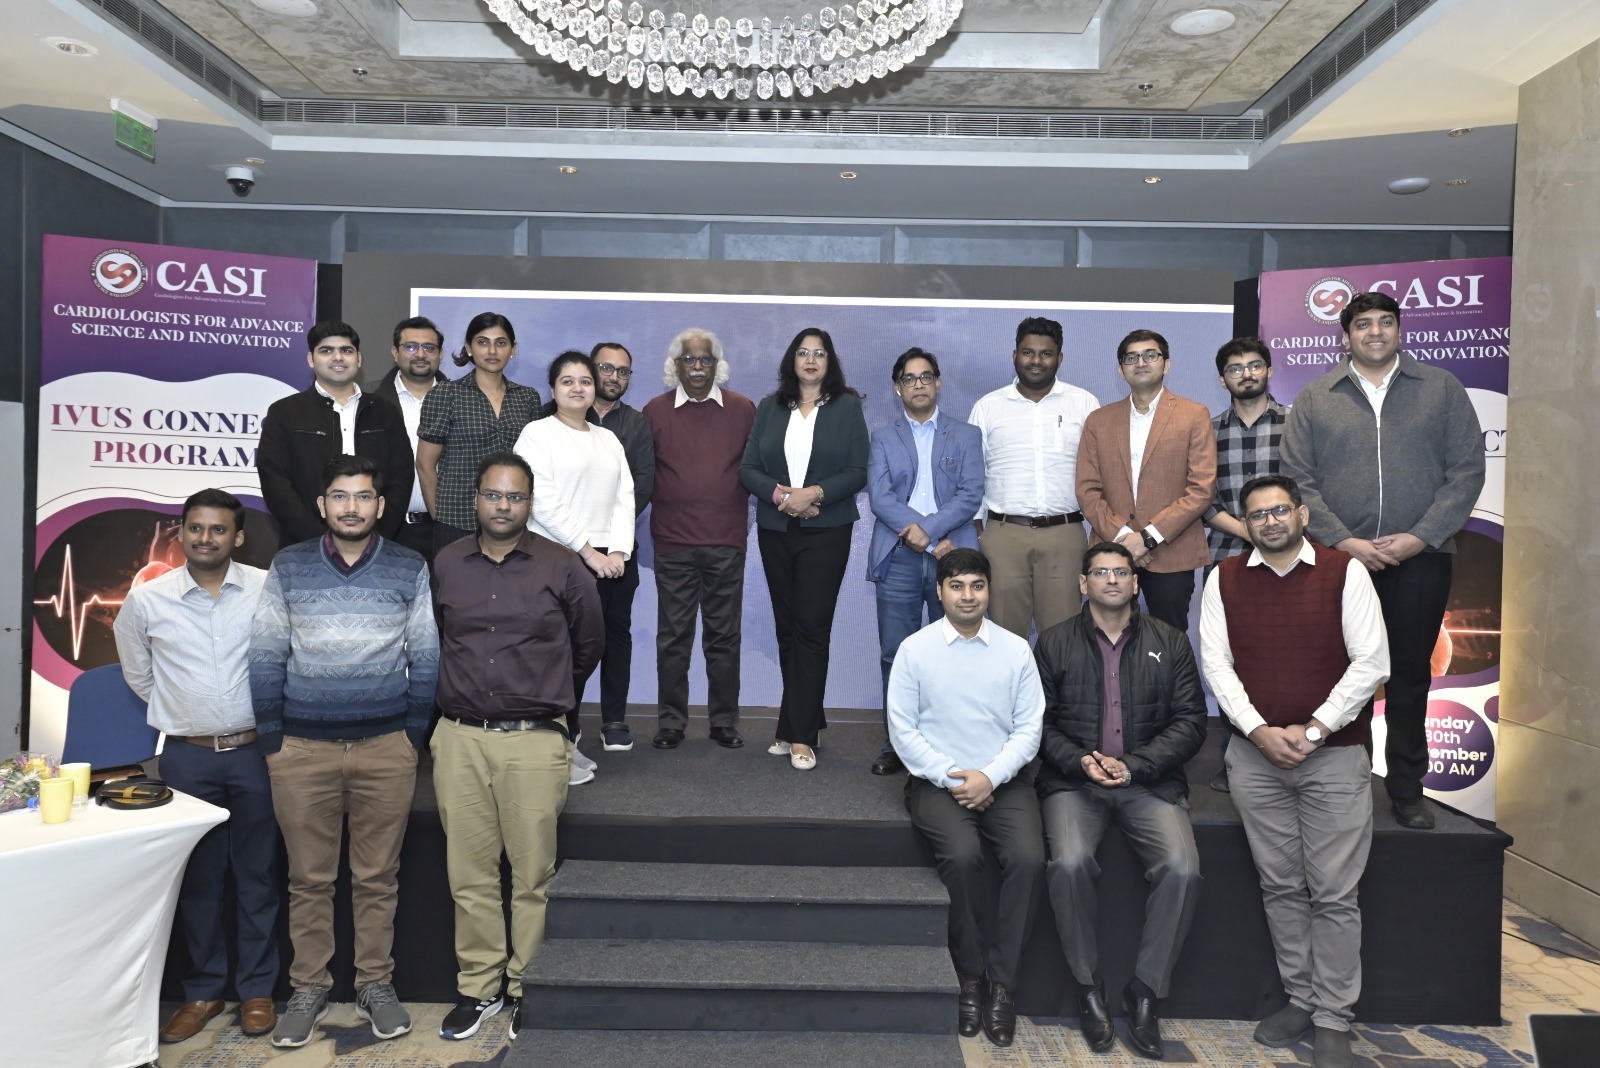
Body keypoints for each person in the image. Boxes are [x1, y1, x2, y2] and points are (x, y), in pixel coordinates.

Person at [1199, 475, 1389, 1068]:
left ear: (1302, 514)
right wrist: (1258, 731)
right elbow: (1217, 665)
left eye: (1280, 510)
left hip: (1333, 758)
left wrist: (1314, 730)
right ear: (1246, 524)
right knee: (1281, 887)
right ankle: (1301, 1000)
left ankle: (1333, 1016)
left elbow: (1371, 663)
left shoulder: (1344, 572)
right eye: (1258, 515)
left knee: (1333, 893)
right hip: (1255, 760)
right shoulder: (1224, 578)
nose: (1270, 522)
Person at [250, 455, 439, 1049]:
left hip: (386, 749)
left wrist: (411, 735)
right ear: (322, 504)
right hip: (302, 752)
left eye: (362, 497)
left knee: (377, 877)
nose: (351, 507)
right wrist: (275, 742)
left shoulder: (409, 566)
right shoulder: (289, 565)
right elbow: (265, 655)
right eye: (340, 496)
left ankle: (374, 984)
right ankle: (308, 988)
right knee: (308, 879)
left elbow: (426, 655)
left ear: (380, 506)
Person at [1280, 291, 1485, 830]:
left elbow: (1466, 471)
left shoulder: (1440, 388)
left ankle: (1407, 789)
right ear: (1345, 336)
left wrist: (1421, 536)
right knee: (1338, 676)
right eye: (1363, 324)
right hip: (1338, 561)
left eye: (1385, 322)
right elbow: (1298, 480)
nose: (1375, 332)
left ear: (1398, 329)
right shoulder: (1316, 398)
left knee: (1411, 675)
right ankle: (1344, 785)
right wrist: (1343, 541)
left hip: (1421, 558)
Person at [431, 452, 603, 1043]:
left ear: (530, 503)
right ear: (475, 498)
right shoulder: (446, 563)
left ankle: (527, 987)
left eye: (515, 497)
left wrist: (545, 692)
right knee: (469, 874)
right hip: (459, 738)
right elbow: (434, 638)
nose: (503, 506)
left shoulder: (562, 566)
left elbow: (589, 643)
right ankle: (480, 988)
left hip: (533, 740)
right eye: (493, 495)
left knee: (533, 875)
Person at [113, 489, 279, 1043]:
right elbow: (139, 674)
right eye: (196, 528)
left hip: (256, 754)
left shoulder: (265, 587)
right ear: (181, 533)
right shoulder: (147, 600)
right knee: (199, 880)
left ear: (238, 537)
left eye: (218, 529)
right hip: (186, 758)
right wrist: (184, 712)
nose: (206, 538)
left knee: (257, 876)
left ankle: (257, 991)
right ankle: (203, 992)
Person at [1033, 541, 1207, 1061]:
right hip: (1075, 782)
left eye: (1121, 572)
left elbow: (1191, 722)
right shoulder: (1053, 642)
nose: (1111, 580)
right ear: (1082, 584)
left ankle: (1145, 992)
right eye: (1100, 572)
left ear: (1135, 582)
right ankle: (1089, 988)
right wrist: (1079, 761)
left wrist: (1135, 765)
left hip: (1149, 781)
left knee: (1182, 868)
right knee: (1067, 864)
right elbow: (1037, 723)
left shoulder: (1170, 641)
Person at [887, 548, 1044, 1048]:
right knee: (961, 854)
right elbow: (903, 731)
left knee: (1029, 858)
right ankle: (970, 978)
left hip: (1004, 779)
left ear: (989, 590)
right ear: (939, 592)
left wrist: (990, 778)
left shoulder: (1016, 650)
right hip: (937, 781)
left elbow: (1029, 729)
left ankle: (1003, 985)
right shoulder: (915, 650)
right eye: (957, 586)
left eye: (977, 585)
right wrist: (955, 778)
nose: (968, 596)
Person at [740, 327, 870, 771]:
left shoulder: (847, 406)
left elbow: (858, 470)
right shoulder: (770, 407)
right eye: (803, 352)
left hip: (826, 530)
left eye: (819, 353)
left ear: (830, 361)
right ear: (791, 361)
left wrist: (813, 493)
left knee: (811, 628)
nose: (811, 359)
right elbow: (748, 469)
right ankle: (797, 721)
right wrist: (782, 497)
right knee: (787, 628)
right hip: (777, 528)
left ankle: (800, 735)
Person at [513, 351, 634, 786]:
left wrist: (618, 551)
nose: (578, 388)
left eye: (585, 380)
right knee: (554, 657)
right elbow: (542, 500)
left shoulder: (608, 439)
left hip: (607, 560)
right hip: (556, 557)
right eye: (568, 381)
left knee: (585, 654)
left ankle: (567, 740)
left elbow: (625, 494)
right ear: (553, 389)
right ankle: (551, 750)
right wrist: (589, 553)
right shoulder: (537, 434)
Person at [866, 346, 984, 776]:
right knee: (896, 655)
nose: (918, 384)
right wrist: (926, 537)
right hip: (898, 557)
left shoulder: (967, 435)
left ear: (938, 382)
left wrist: (929, 532)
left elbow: (971, 494)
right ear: (898, 388)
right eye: (909, 378)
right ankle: (897, 744)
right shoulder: (882, 438)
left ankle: (950, 743)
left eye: (926, 376)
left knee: (955, 653)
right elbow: (880, 499)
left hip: (955, 558)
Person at [643, 328, 757, 751]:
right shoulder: (654, 411)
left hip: (726, 542)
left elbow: (757, 469)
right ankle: (671, 722)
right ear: (675, 366)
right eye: (689, 359)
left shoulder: (743, 409)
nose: (697, 367)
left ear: (717, 365)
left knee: (724, 638)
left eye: (705, 359)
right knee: (673, 638)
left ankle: (724, 721)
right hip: (673, 544)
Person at [1077, 329, 1218, 633]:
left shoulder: (1194, 415)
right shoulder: (1099, 420)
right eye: (1131, 358)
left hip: (1172, 552)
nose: (1141, 362)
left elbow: (1201, 489)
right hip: (1112, 552)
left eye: (1150, 355)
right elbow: (1087, 490)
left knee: (1168, 641)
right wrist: (1125, 538)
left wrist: (1147, 538)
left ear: (1166, 364)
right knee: (1108, 638)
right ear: (1121, 370)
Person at [968, 316, 1099, 640]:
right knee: (1004, 639)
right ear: (1015, 355)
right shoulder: (988, 407)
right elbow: (972, 473)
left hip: (1064, 536)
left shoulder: (1084, 404)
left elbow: (1099, 472)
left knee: (1063, 642)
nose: (1036, 361)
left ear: (1060, 358)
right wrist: (980, 532)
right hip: (1003, 536)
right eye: (1028, 352)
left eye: (1046, 353)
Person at [1202, 337, 1290, 793]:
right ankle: (1233, 756)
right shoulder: (1207, 430)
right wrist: (1249, 530)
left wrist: (1272, 529)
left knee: (1287, 655)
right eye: (1235, 369)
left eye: (1255, 365)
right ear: (1223, 380)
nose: (1247, 374)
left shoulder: (1296, 423)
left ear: (1269, 371)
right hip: (1226, 555)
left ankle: (1286, 752)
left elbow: (1309, 487)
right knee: (1229, 660)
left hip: (1290, 560)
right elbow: (1201, 498)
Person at [258, 321, 414, 546]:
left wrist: (376, 539)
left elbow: (402, 477)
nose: (338, 357)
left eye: (346, 350)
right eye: (326, 350)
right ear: (311, 359)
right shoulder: (284, 413)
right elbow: (275, 483)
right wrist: (319, 542)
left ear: (358, 359)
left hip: (376, 547)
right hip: (304, 548)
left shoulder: (385, 412)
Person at [416, 312, 543, 553]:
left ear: (513, 349)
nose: (492, 351)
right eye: (483, 342)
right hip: (456, 521)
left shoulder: (527, 398)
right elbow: (425, 465)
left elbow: (535, 465)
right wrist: (440, 517)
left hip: (512, 522)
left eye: (501, 343)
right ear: (469, 348)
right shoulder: (445, 394)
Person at [588, 341, 655, 752]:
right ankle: (562, 720)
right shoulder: (555, 416)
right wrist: (580, 539)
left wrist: (613, 543)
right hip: (567, 550)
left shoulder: (636, 423)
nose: (614, 377)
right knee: (563, 637)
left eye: (623, 371)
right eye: (606, 368)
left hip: (618, 551)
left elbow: (641, 487)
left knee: (617, 634)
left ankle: (614, 719)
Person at [377, 316, 451, 559]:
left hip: (449, 530)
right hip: (388, 532)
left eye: (429, 347)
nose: (420, 354)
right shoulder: (370, 401)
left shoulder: (463, 401)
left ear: (440, 354)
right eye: (410, 347)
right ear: (395, 353)